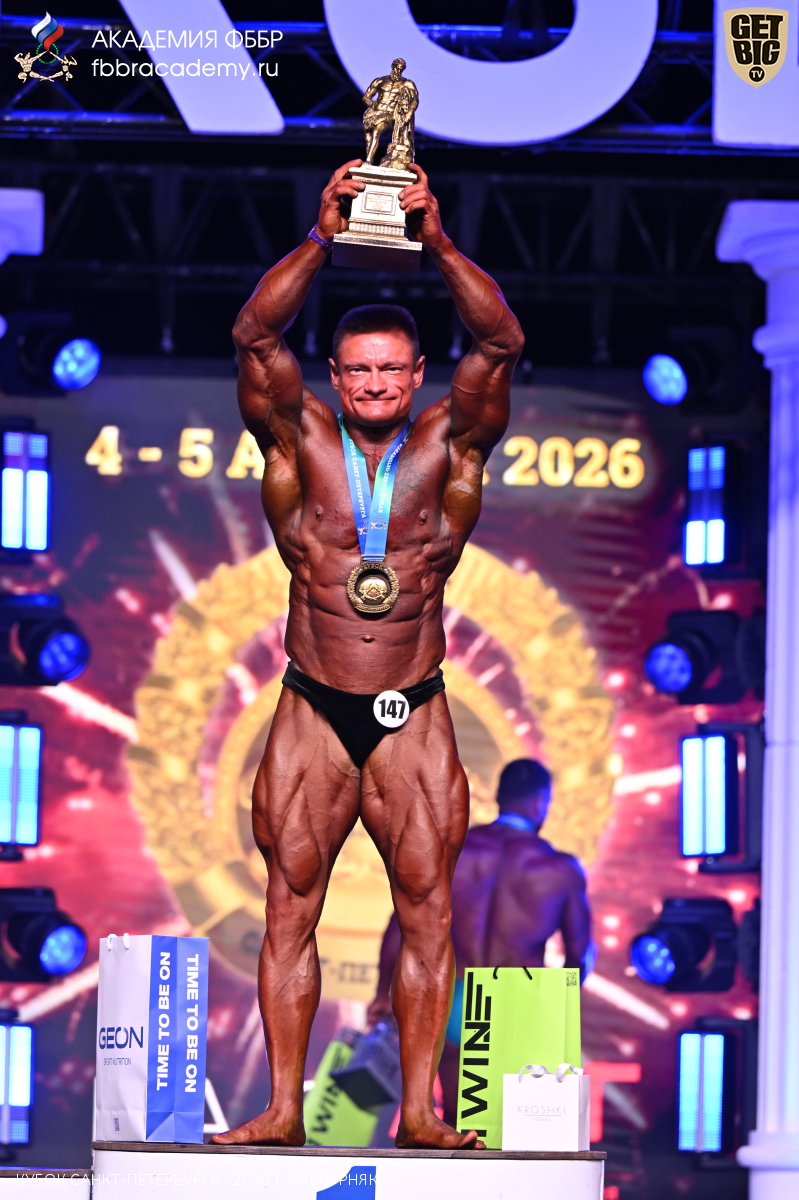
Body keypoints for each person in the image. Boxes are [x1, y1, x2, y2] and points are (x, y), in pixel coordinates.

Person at [210, 160, 524, 1148]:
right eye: (358, 370)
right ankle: (281, 1109)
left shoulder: (450, 447)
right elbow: (253, 335)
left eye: (391, 369)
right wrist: (321, 236)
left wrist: (436, 242)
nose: (376, 383)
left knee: (428, 914)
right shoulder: (296, 439)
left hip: (412, 710)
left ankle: (420, 1112)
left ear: (416, 374)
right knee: (288, 908)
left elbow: (500, 340)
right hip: (313, 703)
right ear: (335, 376)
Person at [367, 759, 591, 1128]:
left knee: (460, 1122)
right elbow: (579, 958)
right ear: (540, 803)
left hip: (455, 997)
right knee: (517, 1127)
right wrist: (554, 1017)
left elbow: (400, 926)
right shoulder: (560, 869)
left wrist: (381, 993)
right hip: (518, 1000)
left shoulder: (450, 852)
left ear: (499, 797)